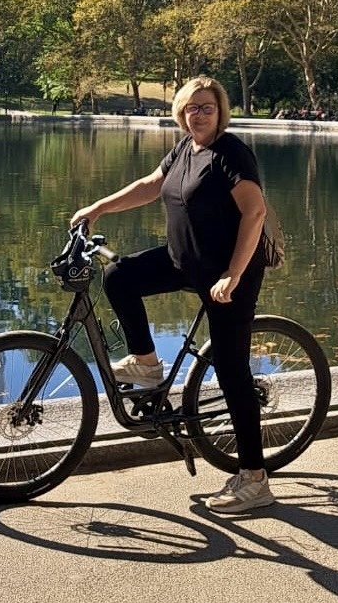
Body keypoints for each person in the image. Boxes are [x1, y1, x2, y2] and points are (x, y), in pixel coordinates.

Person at [70, 75, 272, 515]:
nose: (197, 114)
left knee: (232, 370)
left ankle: (255, 479)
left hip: (226, 274)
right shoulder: (184, 148)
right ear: (180, 112)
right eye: (191, 108)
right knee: (120, 276)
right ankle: (146, 365)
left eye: (206, 107)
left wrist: (234, 275)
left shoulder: (230, 153)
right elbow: (150, 185)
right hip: (186, 261)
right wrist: (98, 207)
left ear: (220, 112)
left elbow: (255, 213)